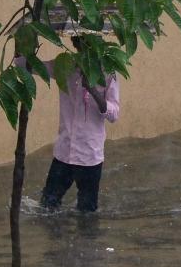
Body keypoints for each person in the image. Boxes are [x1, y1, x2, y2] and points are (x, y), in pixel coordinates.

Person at [37, 36, 120, 212]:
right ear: (75, 44)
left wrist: (93, 90)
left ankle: (85, 241)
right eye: (80, 44)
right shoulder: (64, 66)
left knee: (87, 213)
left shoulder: (108, 72)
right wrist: (23, 44)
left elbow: (114, 114)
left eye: (89, 44)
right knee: (47, 206)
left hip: (90, 156)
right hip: (64, 152)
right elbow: (28, 65)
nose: (84, 49)